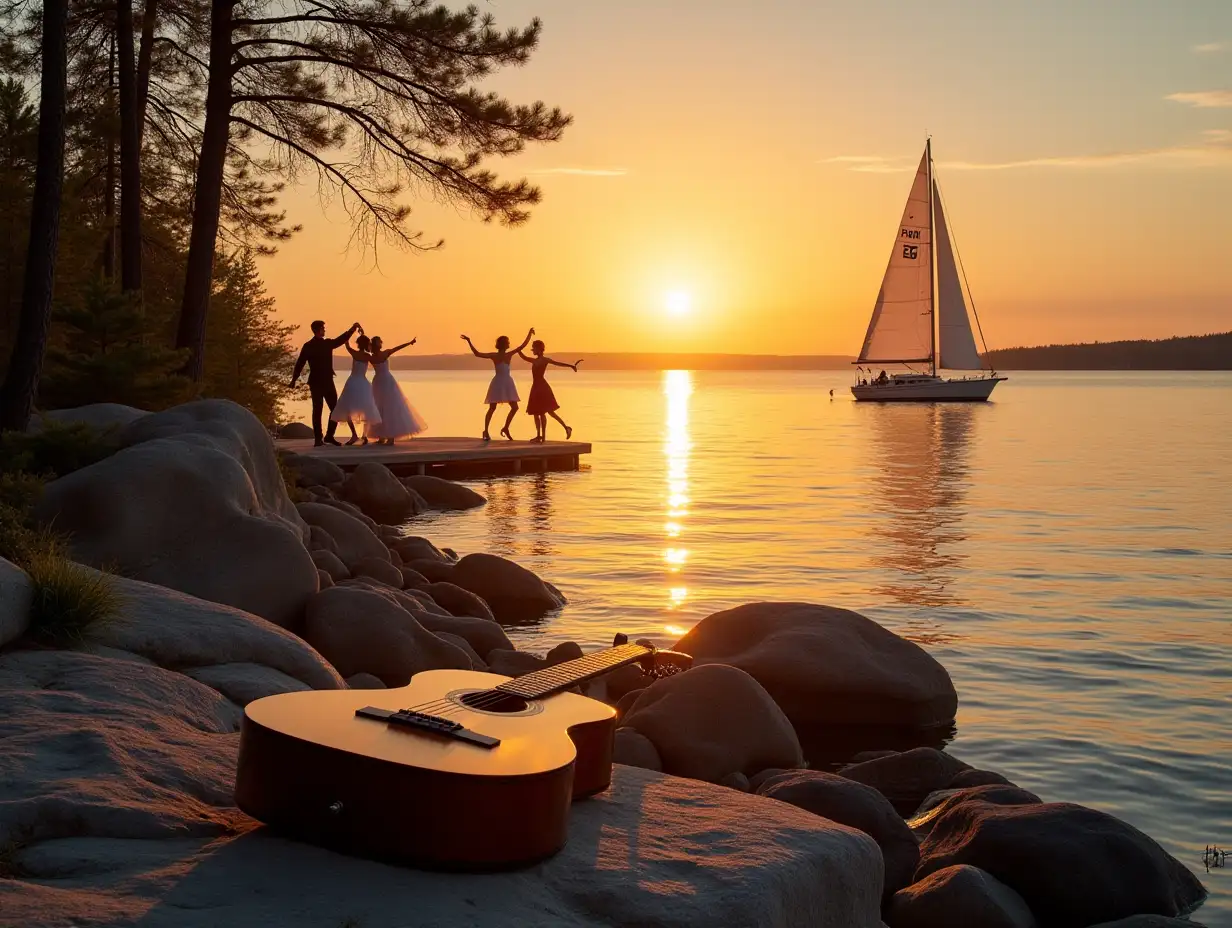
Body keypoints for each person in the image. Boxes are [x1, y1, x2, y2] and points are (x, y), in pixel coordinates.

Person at [291, 319, 360, 446]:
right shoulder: (309, 346)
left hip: (328, 381)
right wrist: (293, 380)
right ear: (317, 330)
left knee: (335, 409)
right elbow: (300, 363)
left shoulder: (326, 343)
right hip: (316, 382)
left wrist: (352, 329)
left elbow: (340, 340)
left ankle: (329, 436)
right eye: (323, 328)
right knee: (318, 410)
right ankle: (318, 439)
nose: (325, 330)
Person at [461, 328, 534, 440]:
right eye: (508, 342)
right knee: (492, 407)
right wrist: (469, 341)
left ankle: (505, 427)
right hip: (499, 382)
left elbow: (522, 346)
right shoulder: (496, 355)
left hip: (506, 382)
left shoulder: (507, 354)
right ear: (504, 345)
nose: (509, 344)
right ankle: (486, 430)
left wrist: (529, 334)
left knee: (514, 407)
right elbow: (477, 354)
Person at [367, 336, 427, 445]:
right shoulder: (384, 354)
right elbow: (397, 348)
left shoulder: (371, 357)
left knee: (381, 407)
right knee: (388, 407)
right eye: (380, 342)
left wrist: (409, 343)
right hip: (386, 381)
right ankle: (387, 437)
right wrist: (409, 343)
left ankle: (385, 437)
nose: (381, 343)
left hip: (378, 382)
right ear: (378, 344)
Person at [517, 339, 580, 442]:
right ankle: (539, 435)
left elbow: (558, 363)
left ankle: (548, 434)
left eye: (534, 348)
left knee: (546, 412)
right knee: (536, 412)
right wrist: (518, 349)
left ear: (539, 349)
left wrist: (571, 366)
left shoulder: (545, 360)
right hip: (536, 387)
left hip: (542, 387)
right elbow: (523, 357)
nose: (533, 350)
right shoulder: (534, 360)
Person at [329, 332, 381, 445]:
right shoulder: (368, 356)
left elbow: (347, 345)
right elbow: (378, 360)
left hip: (352, 383)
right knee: (367, 409)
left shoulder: (354, 353)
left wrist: (349, 335)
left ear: (358, 344)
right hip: (362, 383)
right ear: (367, 345)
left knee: (347, 409)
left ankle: (354, 435)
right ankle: (364, 435)